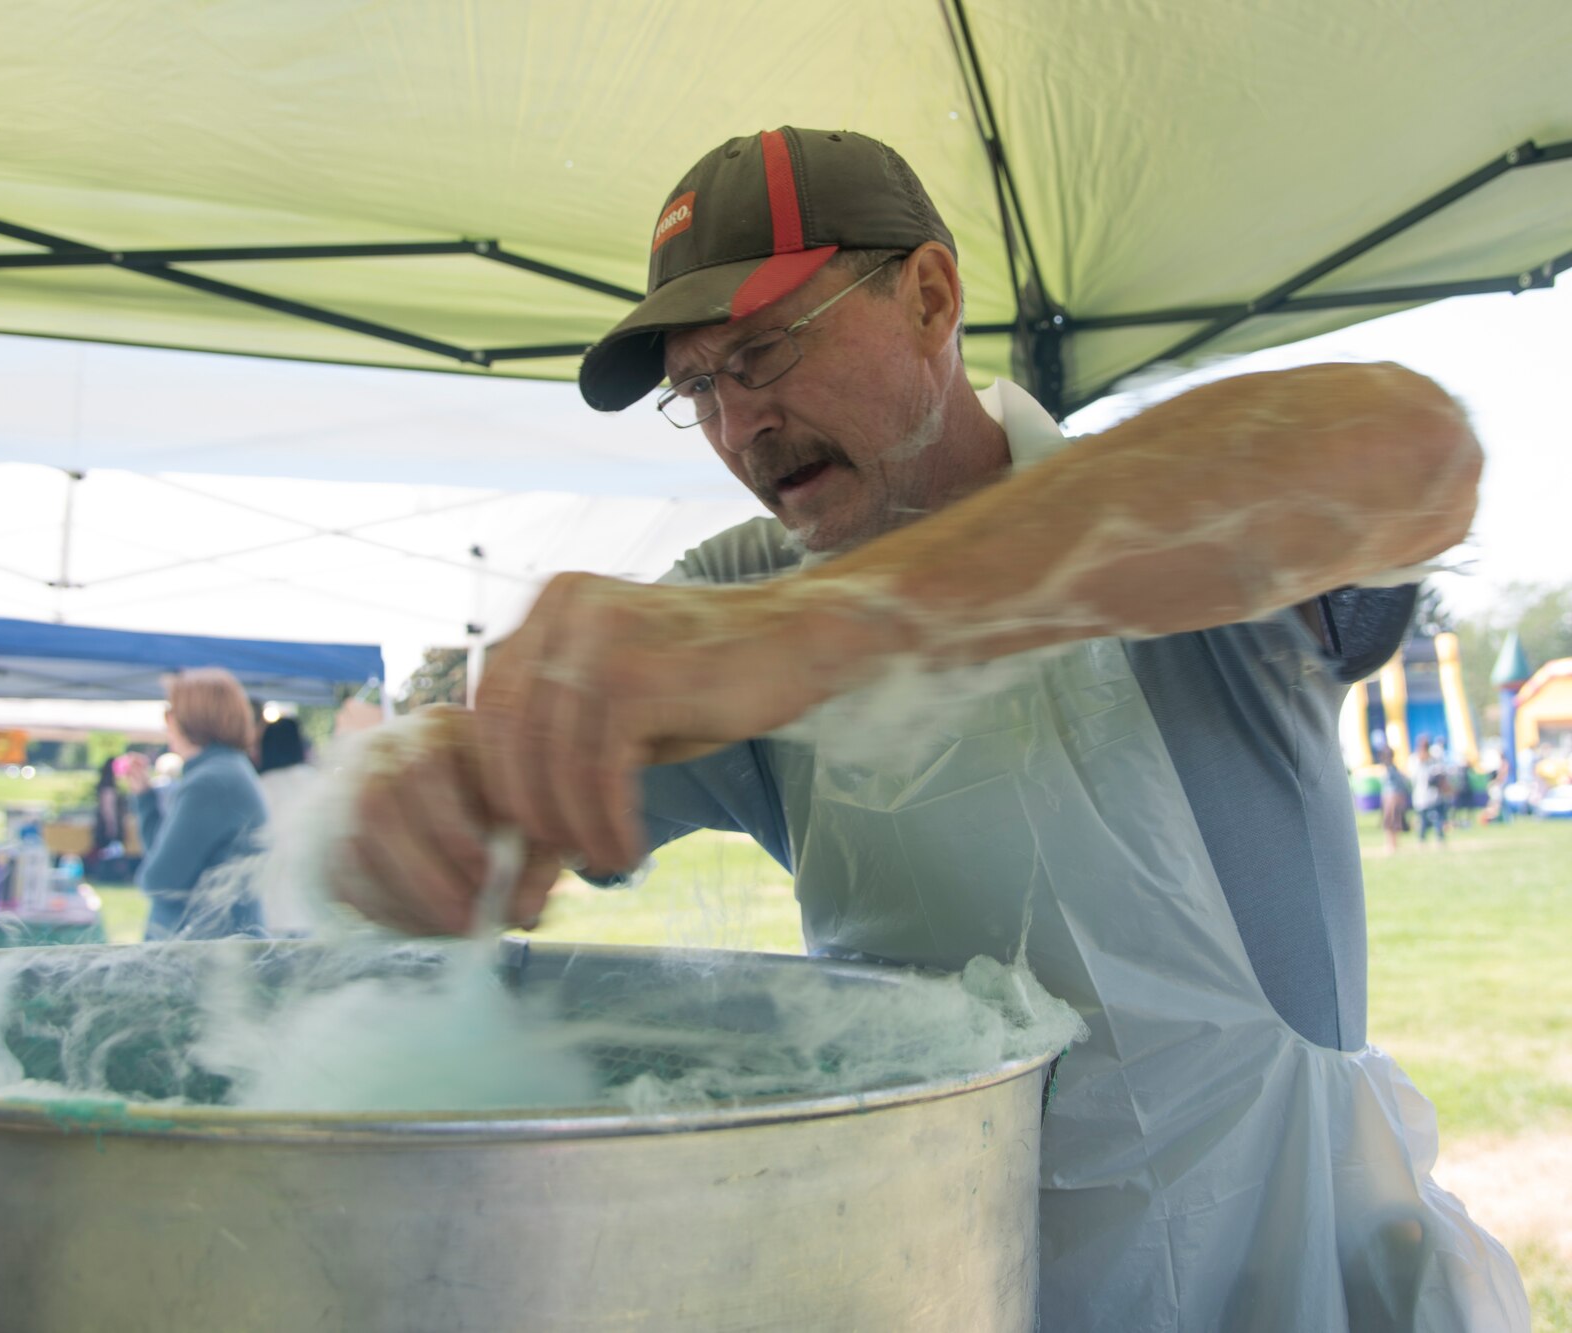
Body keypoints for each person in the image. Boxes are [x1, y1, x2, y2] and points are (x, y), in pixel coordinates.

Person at [328, 128, 1524, 1328]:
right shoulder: (738, 583)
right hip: (940, 1272)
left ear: (929, 297)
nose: (744, 427)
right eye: (700, 392)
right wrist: (416, 778)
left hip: (1275, 1273)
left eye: (764, 350)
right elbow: (498, 762)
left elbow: (1411, 450)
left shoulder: (1171, 506)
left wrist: (812, 633)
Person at [116, 669, 269, 940]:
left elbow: (159, 882)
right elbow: (167, 860)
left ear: (192, 720)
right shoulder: (224, 770)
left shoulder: (210, 782)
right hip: (221, 951)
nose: (167, 723)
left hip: (208, 958)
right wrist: (144, 797)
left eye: (170, 713)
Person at [1411, 734, 1450, 845]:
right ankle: (1430, 839)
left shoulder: (1429, 760)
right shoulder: (1419, 760)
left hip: (1428, 796)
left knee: (1430, 819)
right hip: (1425, 795)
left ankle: (1430, 839)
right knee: (1430, 819)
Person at [1378, 745, 1412, 855]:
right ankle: (1392, 844)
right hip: (1393, 797)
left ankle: (1391, 844)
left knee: (1391, 821)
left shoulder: (1390, 770)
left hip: (1391, 798)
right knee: (1392, 821)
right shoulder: (1393, 769)